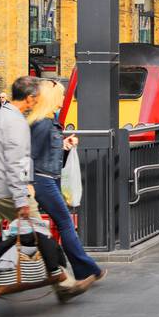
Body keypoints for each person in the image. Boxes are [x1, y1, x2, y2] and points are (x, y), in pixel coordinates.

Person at [0, 76, 85, 316]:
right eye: (37, 97)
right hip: (9, 192)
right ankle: (65, 285)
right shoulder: (17, 123)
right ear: (30, 98)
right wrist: (21, 198)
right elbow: (17, 163)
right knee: (42, 234)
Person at [29, 79, 102, 291]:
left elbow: (47, 154)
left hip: (46, 179)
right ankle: (85, 269)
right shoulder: (42, 123)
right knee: (65, 223)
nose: (63, 98)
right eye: (61, 94)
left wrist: (64, 146)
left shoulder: (49, 121)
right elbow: (31, 155)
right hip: (42, 181)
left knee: (60, 225)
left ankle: (77, 273)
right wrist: (28, 183)